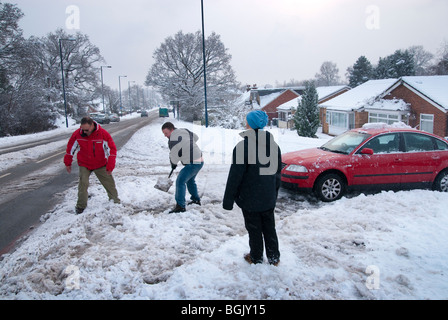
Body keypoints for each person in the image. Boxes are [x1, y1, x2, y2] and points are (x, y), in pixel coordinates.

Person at [223, 110, 281, 266]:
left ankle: (256, 257)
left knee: (254, 229)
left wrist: (228, 200)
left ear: (250, 124)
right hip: (268, 197)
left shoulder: (243, 147)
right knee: (269, 228)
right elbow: (277, 174)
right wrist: (273, 194)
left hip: (250, 199)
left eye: (247, 120)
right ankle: (274, 258)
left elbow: (235, 176)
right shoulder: (273, 145)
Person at [64, 116, 120, 214]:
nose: (84, 132)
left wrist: (110, 165)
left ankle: (115, 201)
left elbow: (112, 150)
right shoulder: (78, 134)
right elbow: (70, 149)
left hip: (100, 163)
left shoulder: (103, 134)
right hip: (84, 163)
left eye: (86, 129)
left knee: (109, 183)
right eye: (82, 129)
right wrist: (68, 162)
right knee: (83, 184)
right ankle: (80, 206)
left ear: (92, 125)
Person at [162, 122, 204, 213]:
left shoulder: (172, 140)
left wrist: (173, 164)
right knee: (190, 180)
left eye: (166, 133)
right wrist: (187, 145)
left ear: (171, 129)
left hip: (193, 162)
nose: (165, 136)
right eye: (164, 134)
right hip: (200, 160)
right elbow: (196, 137)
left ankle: (180, 206)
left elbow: (173, 155)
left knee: (180, 181)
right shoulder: (184, 130)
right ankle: (196, 200)